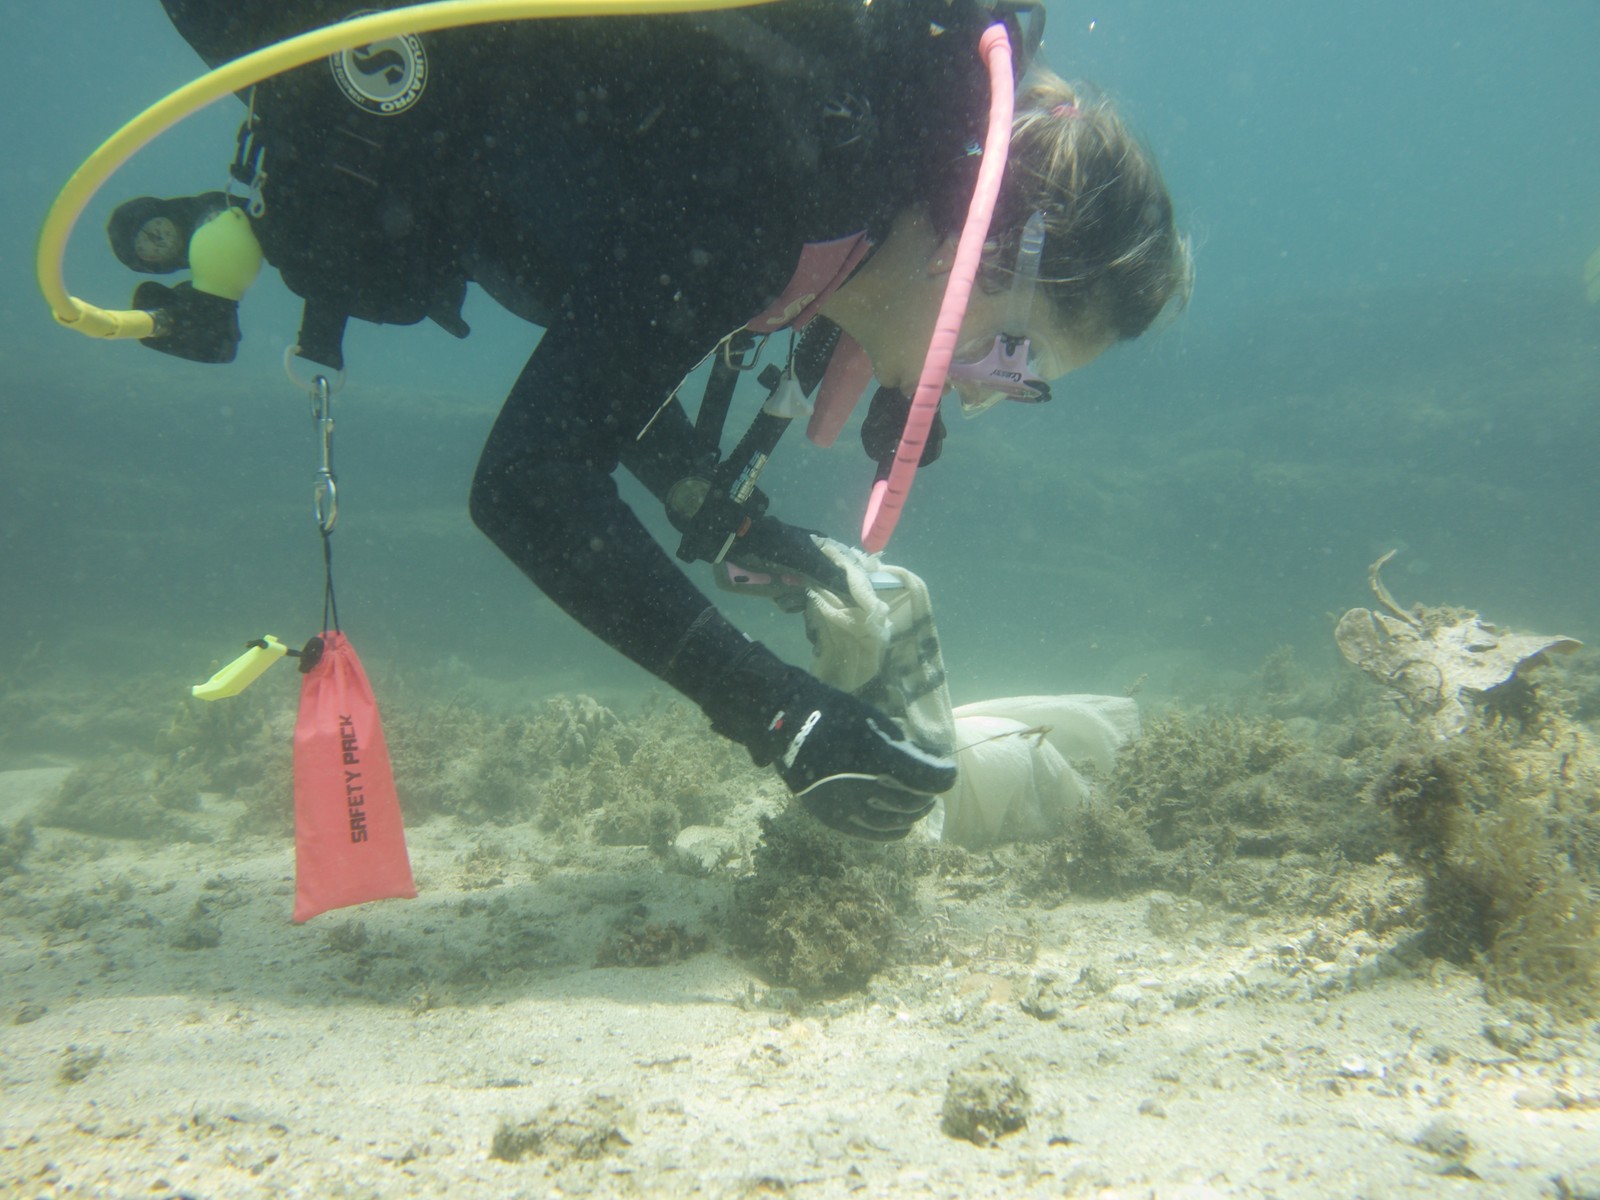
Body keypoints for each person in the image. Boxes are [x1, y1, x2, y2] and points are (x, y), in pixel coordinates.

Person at [114, 0, 1191, 840]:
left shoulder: (822, 182)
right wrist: (777, 712)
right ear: (979, 253)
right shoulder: (777, 197)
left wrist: (717, 510)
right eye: (1017, 355)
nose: (985, 391)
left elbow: (608, 366)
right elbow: (529, 481)